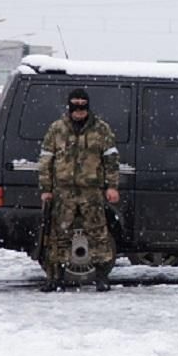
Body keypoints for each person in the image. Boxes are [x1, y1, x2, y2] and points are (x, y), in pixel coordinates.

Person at [38, 88, 120, 292]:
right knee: (58, 235)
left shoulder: (101, 129)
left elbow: (111, 160)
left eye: (83, 106)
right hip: (63, 191)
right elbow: (46, 159)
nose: (79, 111)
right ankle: (55, 277)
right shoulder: (57, 129)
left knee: (98, 233)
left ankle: (102, 277)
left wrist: (112, 186)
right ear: (69, 106)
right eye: (75, 106)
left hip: (91, 191)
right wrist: (46, 188)